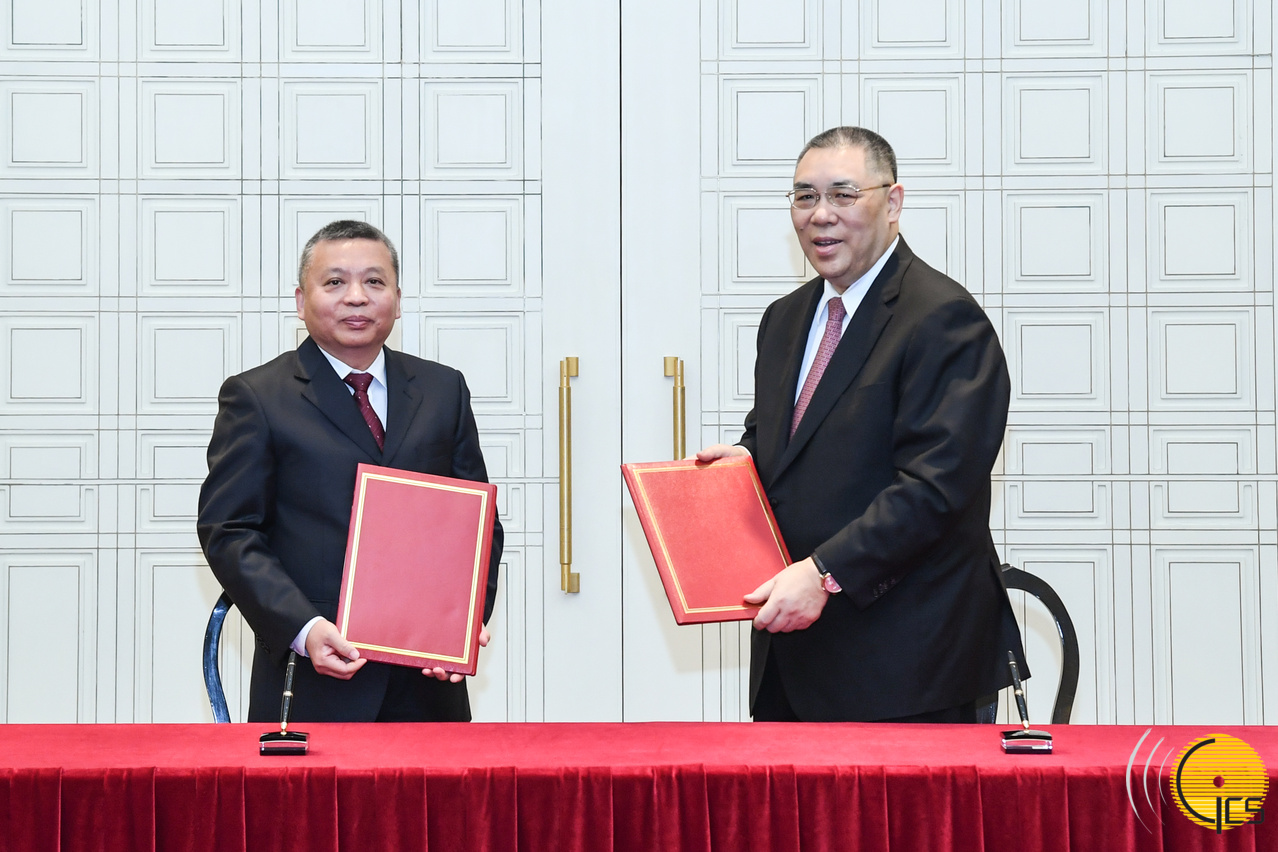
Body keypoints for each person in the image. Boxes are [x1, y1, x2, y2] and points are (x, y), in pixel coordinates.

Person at [697, 127, 1026, 722]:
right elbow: (788, 439)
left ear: (892, 203)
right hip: (794, 658)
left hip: (907, 665)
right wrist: (746, 462)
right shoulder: (785, 318)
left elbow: (935, 489)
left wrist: (825, 573)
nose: (820, 215)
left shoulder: (943, 318)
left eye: (843, 195)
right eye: (805, 197)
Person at [197, 220, 503, 722]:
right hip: (312, 681)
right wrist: (303, 629)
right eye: (335, 282)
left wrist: (461, 623)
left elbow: (477, 525)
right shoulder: (257, 397)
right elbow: (229, 531)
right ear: (301, 301)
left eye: (374, 281)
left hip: (427, 688)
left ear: (397, 300)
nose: (356, 297)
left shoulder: (443, 390)